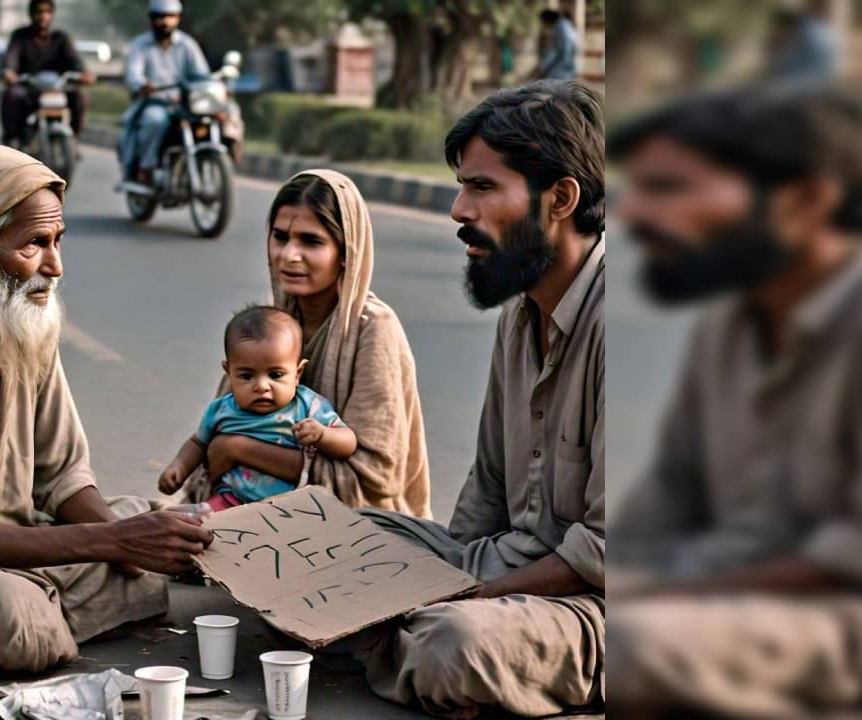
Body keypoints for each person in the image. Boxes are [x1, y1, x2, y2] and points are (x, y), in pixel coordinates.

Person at [607, 84, 862, 717]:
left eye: (670, 189)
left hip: (852, 623)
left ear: (807, 201)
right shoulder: (728, 326)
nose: (634, 215)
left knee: (628, 647)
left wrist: (662, 596)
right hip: (716, 594)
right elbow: (669, 497)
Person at [0, 145, 215, 673]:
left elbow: (63, 480)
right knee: (11, 615)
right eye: (35, 244)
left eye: (58, 241)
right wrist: (111, 541)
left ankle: (45, 615)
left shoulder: (25, 323)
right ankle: (34, 619)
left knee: (145, 535)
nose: (55, 266)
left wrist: (125, 544)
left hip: (26, 543)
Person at [352, 80, 606, 718]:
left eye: (484, 187)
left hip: (606, 606)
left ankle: (412, 650)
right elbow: (488, 491)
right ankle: (404, 641)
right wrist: (437, 575)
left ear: (561, 198)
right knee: (331, 548)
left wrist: (466, 601)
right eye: (463, 186)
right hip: (502, 573)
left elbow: (606, 551)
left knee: (453, 646)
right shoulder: (521, 315)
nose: (460, 210)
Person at [179, 170, 432, 518]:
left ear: (347, 252)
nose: (289, 255)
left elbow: (374, 480)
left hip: (357, 531)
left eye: (311, 242)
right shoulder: (273, 324)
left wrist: (240, 449)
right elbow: (217, 434)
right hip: (253, 514)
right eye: (280, 237)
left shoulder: (373, 328)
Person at [159, 305, 357, 511]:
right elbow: (198, 443)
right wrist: (179, 467)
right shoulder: (223, 409)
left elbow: (348, 442)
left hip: (292, 509)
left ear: (298, 373)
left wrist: (323, 434)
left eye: (276, 375)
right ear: (229, 372)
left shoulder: (307, 406)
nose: (261, 386)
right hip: (230, 502)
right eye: (246, 376)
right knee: (189, 526)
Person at [121, 0, 209, 184]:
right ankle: (146, 167)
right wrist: (142, 85)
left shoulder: (187, 44)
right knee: (155, 120)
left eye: (170, 16)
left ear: (178, 19)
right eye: (160, 17)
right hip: (155, 103)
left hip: (185, 104)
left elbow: (202, 74)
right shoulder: (140, 45)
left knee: (218, 117)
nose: (165, 22)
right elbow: (133, 75)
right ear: (152, 19)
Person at [0, 0, 95, 145]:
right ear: (31, 14)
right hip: (29, 88)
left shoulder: (61, 38)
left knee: (80, 96)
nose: (43, 16)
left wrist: (83, 73)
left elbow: (74, 60)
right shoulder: (20, 36)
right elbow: (11, 58)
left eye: (47, 12)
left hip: (57, 87)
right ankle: (11, 140)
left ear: (52, 15)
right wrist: (9, 72)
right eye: (39, 12)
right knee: (12, 96)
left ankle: (75, 138)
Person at [532, 9, 578, 81]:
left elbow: (564, 50)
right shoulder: (563, 25)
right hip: (566, 64)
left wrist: (548, 68)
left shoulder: (561, 27)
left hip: (563, 67)